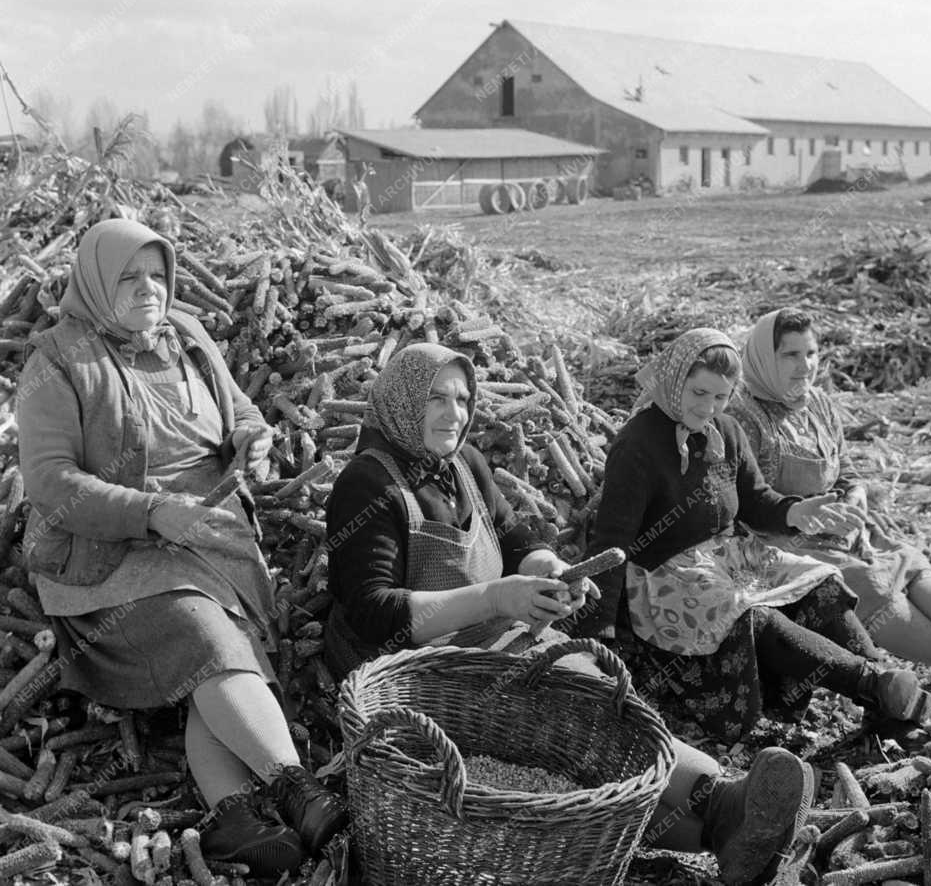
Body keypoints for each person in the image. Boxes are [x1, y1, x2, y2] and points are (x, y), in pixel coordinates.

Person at [324, 342, 817, 886]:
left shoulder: (465, 463)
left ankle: (724, 808)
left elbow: (516, 544)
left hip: (491, 639)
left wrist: (552, 568)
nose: (454, 413)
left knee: (599, 700)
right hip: (412, 674)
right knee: (560, 746)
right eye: (436, 398)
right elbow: (373, 612)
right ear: (402, 400)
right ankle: (721, 823)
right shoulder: (366, 486)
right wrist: (494, 598)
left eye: (463, 398)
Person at [16, 219, 347, 876]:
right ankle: (295, 787)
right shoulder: (56, 360)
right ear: (95, 282)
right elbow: (52, 485)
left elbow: (241, 416)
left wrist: (251, 440)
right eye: (129, 278)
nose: (150, 290)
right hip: (108, 556)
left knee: (232, 652)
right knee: (200, 631)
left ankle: (231, 817)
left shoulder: (188, 338)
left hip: (211, 534)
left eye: (158, 275)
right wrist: (154, 513)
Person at [576, 328, 931, 745]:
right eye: (698, 393)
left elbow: (757, 501)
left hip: (730, 558)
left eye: (720, 397)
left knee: (819, 583)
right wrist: (597, 626)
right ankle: (873, 684)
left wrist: (799, 510)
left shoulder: (726, 431)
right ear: (674, 379)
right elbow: (612, 539)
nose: (707, 408)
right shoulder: (637, 445)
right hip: (667, 578)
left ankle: (887, 700)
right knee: (749, 612)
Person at [730, 307, 931, 697]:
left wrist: (856, 494)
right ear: (766, 358)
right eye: (791, 355)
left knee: (905, 556)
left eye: (812, 354)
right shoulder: (742, 418)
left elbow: (846, 468)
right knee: (870, 586)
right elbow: (750, 503)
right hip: (779, 542)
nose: (806, 366)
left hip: (837, 529)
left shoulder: (817, 404)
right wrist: (807, 517)